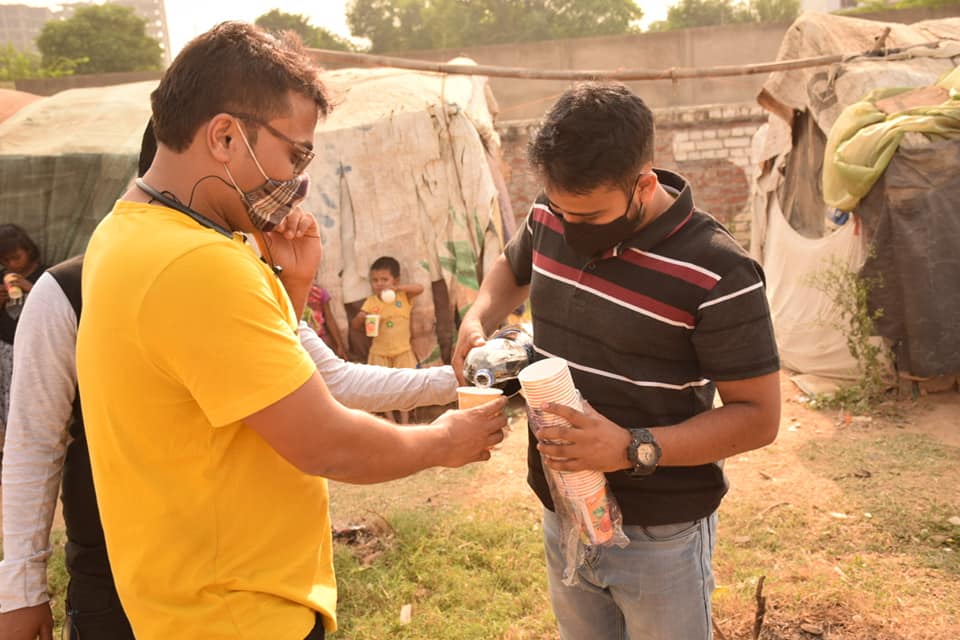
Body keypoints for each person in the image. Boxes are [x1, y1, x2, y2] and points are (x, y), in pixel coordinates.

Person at [74, 22, 505, 640]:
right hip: (238, 615)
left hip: (191, 603)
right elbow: (324, 441)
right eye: (296, 154)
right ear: (225, 136)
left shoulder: (126, 235)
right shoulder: (198, 264)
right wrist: (441, 442)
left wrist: (292, 285)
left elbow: (261, 387)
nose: (298, 180)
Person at [452, 82, 781, 640]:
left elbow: (759, 417)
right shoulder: (552, 213)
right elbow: (513, 267)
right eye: (561, 211)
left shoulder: (719, 271)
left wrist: (631, 446)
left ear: (643, 185)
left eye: (590, 217)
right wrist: (478, 315)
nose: (569, 230)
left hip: (661, 533)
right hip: (564, 508)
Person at [0, 255, 460, 640]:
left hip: (255, 583)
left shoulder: (240, 275)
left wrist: (460, 379)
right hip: (121, 582)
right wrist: (21, 589)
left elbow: (333, 379)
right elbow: (34, 442)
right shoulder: (70, 290)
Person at [0, 224, 46, 456]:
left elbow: (58, 308)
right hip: (5, 348)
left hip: (33, 351)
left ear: (28, 250)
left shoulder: (47, 277)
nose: (12, 264)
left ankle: (29, 447)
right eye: (5, 260)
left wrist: (32, 288)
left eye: (16, 257)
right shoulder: (3, 278)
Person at [351, 255, 424, 369]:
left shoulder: (402, 296)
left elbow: (420, 288)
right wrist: (360, 318)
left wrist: (398, 288)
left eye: (384, 280)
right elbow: (355, 326)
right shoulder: (371, 302)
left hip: (403, 352)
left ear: (396, 280)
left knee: (407, 378)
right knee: (381, 379)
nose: (379, 284)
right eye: (375, 280)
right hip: (379, 354)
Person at [304, 284, 347, 359]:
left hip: (321, 339)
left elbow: (329, 319)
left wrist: (340, 345)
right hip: (302, 341)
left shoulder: (319, 292)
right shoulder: (288, 294)